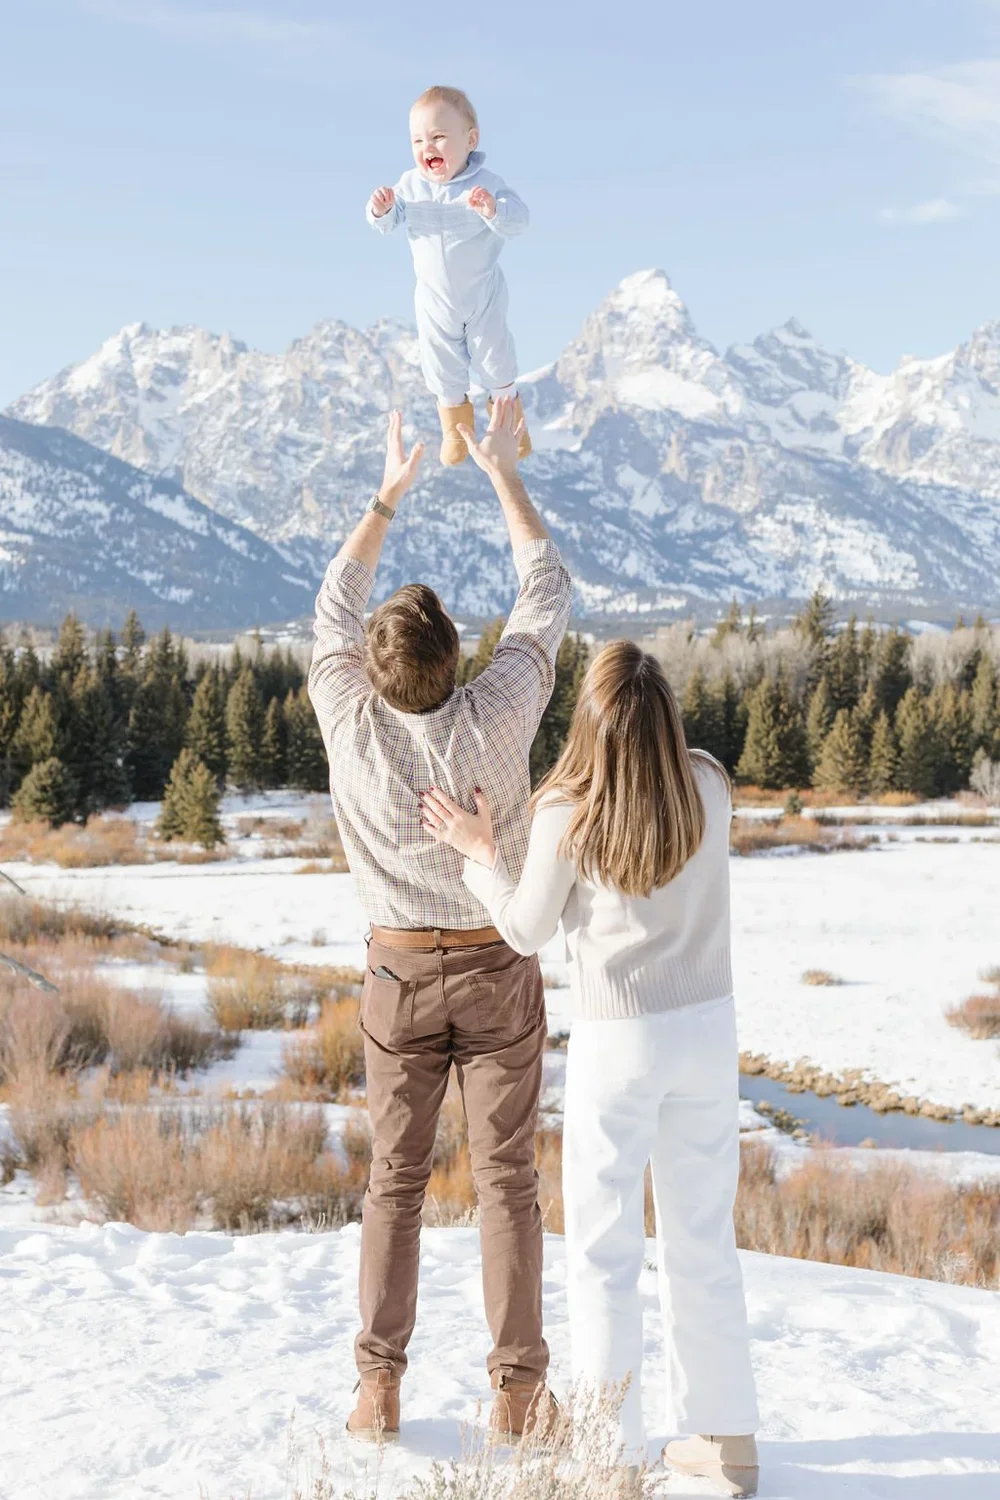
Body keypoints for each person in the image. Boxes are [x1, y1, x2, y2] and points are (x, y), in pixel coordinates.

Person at [420, 642, 761, 1499]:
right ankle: (728, 1440)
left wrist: (477, 854)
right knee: (702, 1237)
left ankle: (611, 1453)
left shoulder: (567, 810)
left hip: (620, 1039)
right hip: (708, 1034)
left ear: (592, 722)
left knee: (605, 1252)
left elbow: (526, 930)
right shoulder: (710, 788)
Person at [308, 399, 572, 1446]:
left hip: (399, 980)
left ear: (376, 677)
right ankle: (516, 1392)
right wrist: (501, 466)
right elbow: (545, 592)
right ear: (459, 657)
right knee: (506, 1181)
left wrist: (388, 492)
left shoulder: (347, 718)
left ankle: (378, 1386)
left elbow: (332, 607)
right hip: (498, 968)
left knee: (394, 1182)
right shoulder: (500, 708)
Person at [367, 85, 531, 467]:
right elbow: (387, 224)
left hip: (481, 295)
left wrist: (493, 209)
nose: (428, 147)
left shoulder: (486, 184)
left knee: (496, 361)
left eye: (439, 137)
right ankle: (456, 435)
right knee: (441, 368)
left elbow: (519, 218)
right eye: (418, 140)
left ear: (470, 140)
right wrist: (381, 210)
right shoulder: (409, 185)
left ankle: (512, 432)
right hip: (434, 300)